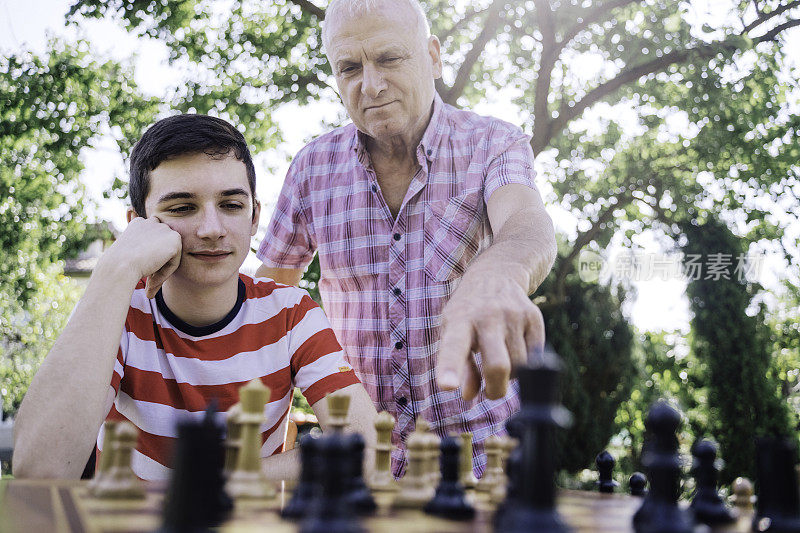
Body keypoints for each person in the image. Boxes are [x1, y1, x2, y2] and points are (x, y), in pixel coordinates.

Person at [255, 0, 556, 476]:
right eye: (349, 67)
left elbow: (526, 221)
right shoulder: (312, 168)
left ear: (433, 57)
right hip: (358, 462)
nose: (370, 85)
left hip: (482, 454)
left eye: (390, 58)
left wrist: (499, 273)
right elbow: (268, 305)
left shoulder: (494, 143)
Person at [13, 114, 377, 481]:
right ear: (138, 224)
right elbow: (41, 471)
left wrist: (212, 487)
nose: (212, 229)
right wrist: (117, 267)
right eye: (182, 207)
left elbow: (367, 450)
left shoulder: (291, 313)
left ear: (254, 218)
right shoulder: (116, 309)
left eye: (232, 205)